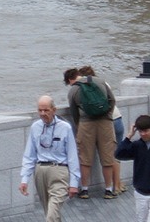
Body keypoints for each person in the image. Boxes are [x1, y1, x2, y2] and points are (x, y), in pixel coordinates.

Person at [18, 94, 82, 222]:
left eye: (46, 110)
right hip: (40, 172)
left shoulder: (65, 127)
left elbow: (72, 156)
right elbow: (29, 155)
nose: (42, 113)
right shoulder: (35, 127)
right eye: (40, 110)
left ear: (54, 110)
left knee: (51, 214)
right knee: (50, 212)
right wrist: (24, 179)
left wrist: (74, 183)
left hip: (59, 172)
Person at [63, 65, 122, 198]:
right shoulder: (99, 81)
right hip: (105, 123)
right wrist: (107, 116)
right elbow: (112, 100)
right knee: (107, 157)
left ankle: (84, 190)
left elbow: (73, 111)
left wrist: (79, 124)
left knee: (85, 158)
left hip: (85, 124)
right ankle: (108, 189)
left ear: (70, 79)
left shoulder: (74, 89)